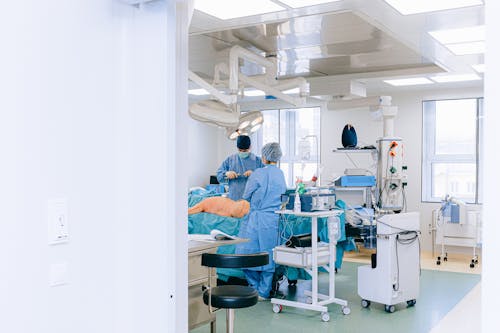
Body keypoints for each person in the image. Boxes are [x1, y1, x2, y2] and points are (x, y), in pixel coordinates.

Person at [235, 142, 287, 300]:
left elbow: (246, 196)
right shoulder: (280, 174)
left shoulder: (257, 174)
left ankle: (254, 288)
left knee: (246, 254)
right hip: (272, 219)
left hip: (256, 219)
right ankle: (264, 292)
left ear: (264, 157)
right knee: (269, 256)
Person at [216, 135, 264, 200]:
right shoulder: (230, 160)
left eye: (245, 150)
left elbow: (265, 179)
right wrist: (226, 174)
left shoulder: (257, 161)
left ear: (250, 147)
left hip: (252, 201)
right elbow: (219, 175)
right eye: (240, 150)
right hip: (235, 199)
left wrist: (254, 174)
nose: (242, 152)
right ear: (237, 148)